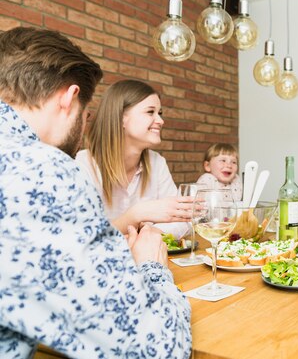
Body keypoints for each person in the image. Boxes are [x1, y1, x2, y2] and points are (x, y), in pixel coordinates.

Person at [0, 27, 191, 358]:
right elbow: (157, 349)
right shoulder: (43, 170)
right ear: (69, 97)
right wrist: (151, 268)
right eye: (84, 112)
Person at [76, 79, 192, 238]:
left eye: (160, 113)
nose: (160, 120)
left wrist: (149, 233)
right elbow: (83, 237)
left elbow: (182, 220)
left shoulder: (156, 162)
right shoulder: (82, 165)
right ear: (121, 118)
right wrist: (137, 214)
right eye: (150, 112)